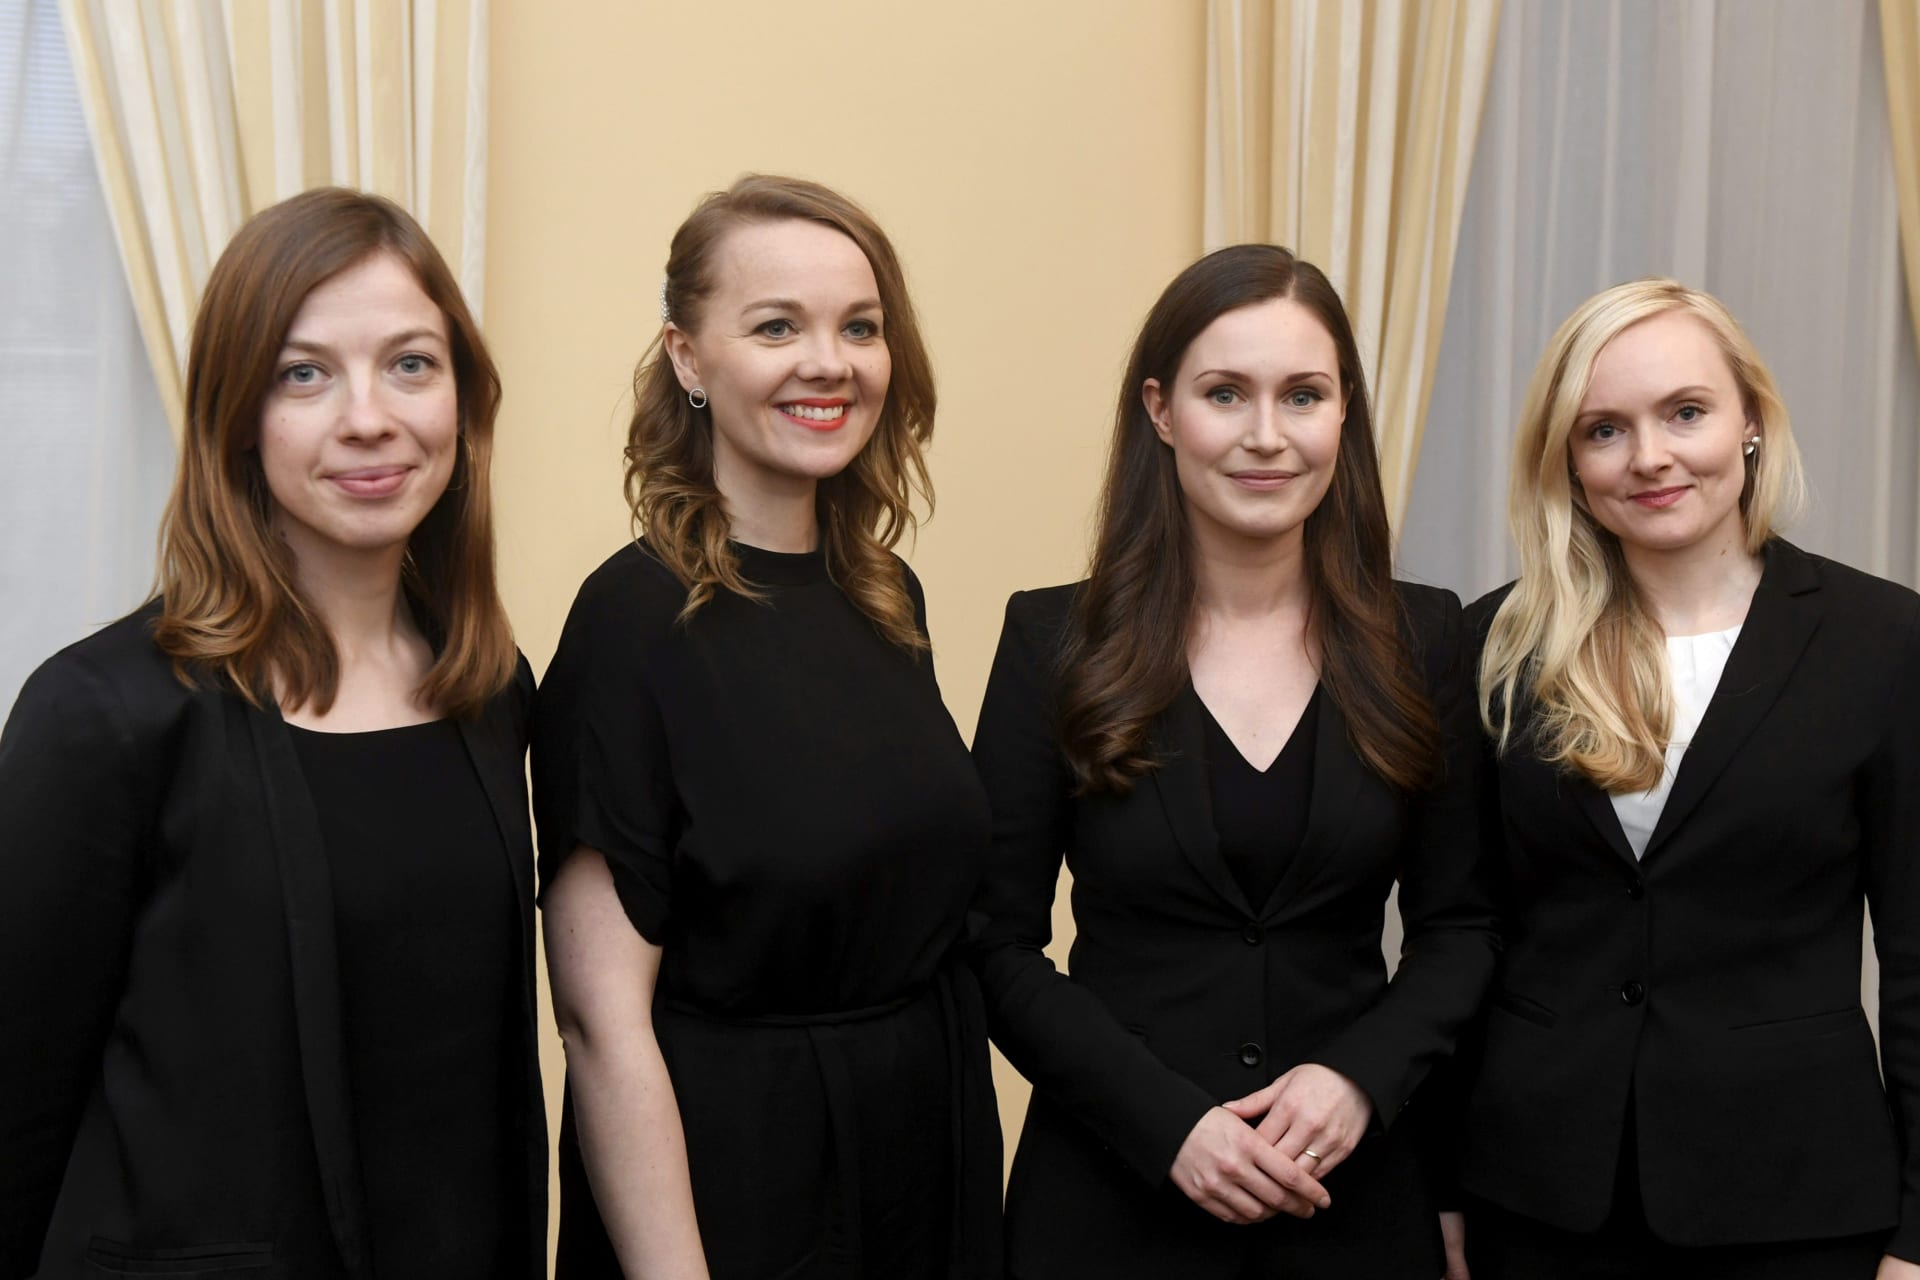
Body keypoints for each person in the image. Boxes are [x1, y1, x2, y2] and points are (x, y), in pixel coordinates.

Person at [0, 187, 546, 1278]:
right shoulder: (103, 711)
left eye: (410, 363)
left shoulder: (490, 689)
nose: (368, 417)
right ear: (238, 413)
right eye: (306, 373)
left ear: (461, 396)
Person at [969, 243, 1498, 1278]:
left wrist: (1358, 1078)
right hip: (1109, 1200)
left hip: (1350, 1195)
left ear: (1344, 413)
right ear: (1162, 410)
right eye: (1226, 393)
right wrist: (1167, 1123)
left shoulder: (1425, 637)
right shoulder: (1052, 640)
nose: (1267, 434)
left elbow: (1464, 926)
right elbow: (991, 943)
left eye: (1303, 395)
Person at [534, 174, 1000, 1279]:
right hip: (733, 1181)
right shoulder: (632, 620)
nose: (829, 361)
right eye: (776, 325)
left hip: (920, 1157)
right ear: (689, 357)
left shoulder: (885, 594)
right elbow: (602, 1022)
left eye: (860, 326)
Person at [1447, 278, 1920, 1279]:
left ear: (1750, 421)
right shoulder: (1494, 642)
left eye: (1686, 413)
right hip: (1535, 1201)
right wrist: (1440, 1186)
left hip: (1799, 1204)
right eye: (1604, 429)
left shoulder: (1884, 640)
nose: (1650, 456)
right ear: (1569, 462)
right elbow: (1461, 932)